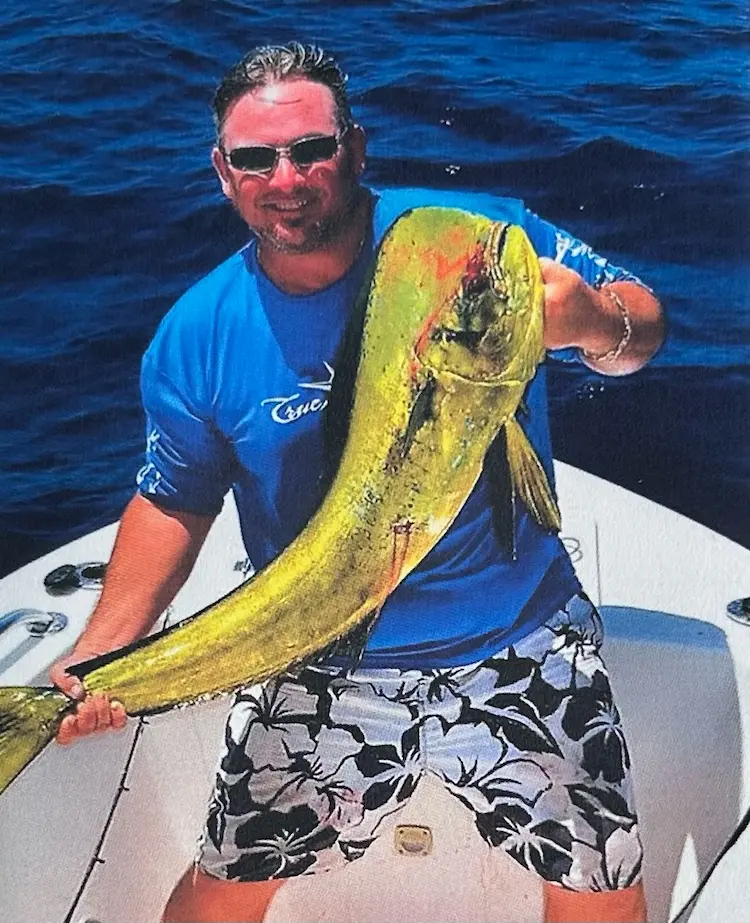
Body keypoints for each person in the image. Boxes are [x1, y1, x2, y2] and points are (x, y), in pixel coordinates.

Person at [50, 42, 664, 923]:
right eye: (257, 158)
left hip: (520, 636)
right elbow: (174, 498)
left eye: (313, 148)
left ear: (358, 147)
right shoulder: (196, 334)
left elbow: (645, 329)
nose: (287, 177)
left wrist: (593, 321)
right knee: (222, 891)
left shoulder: (476, 242)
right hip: (323, 654)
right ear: (223, 173)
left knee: (601, 890)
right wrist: (98, 652)